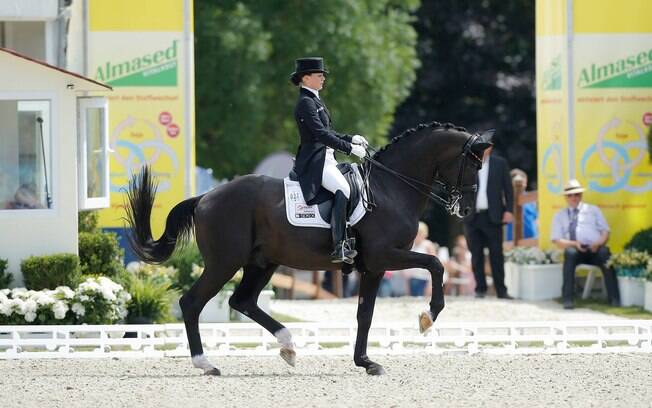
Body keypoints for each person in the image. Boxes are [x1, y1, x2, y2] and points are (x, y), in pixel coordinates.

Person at [290, 57, 368, 264]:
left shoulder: (315, 100)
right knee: (343, 189)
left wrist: (351, 138)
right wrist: (350, 149)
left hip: (328, 158)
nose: (323, 78)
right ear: (306, 78)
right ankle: (339, 244)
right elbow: (321, 135)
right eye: (319, 75)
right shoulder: (305, 103)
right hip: (316, 160)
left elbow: (328, 131)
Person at [551, 179, 620, 309]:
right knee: (569, 253)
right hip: (576, 250)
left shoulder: (593, 210)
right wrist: (574, 243)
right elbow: (557, 240)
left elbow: (605, 231)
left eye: (576, 194)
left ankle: (614, 299)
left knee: (605, 253)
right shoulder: (559, 215)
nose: (573, 197)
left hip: (595, 248)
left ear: (581, 195)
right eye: (570, 195)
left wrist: (598, 243)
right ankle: (568, 299)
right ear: (565, 197)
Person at [463, 141, 514, 299]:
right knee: (476, 254)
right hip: (473, 216)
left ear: (490, 147)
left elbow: (508, 189)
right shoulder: (468, 163)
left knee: (496, 254)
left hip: (493, 216)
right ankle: (480, 289)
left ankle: (501, 290)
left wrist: (509, 211)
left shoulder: (500, 164)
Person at [403, 222, 438, 296]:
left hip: (425, 279)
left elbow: (434, 265)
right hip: (412, 278)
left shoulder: (428, 245)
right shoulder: (412, 245)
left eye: (420, 233)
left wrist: (431, 283)